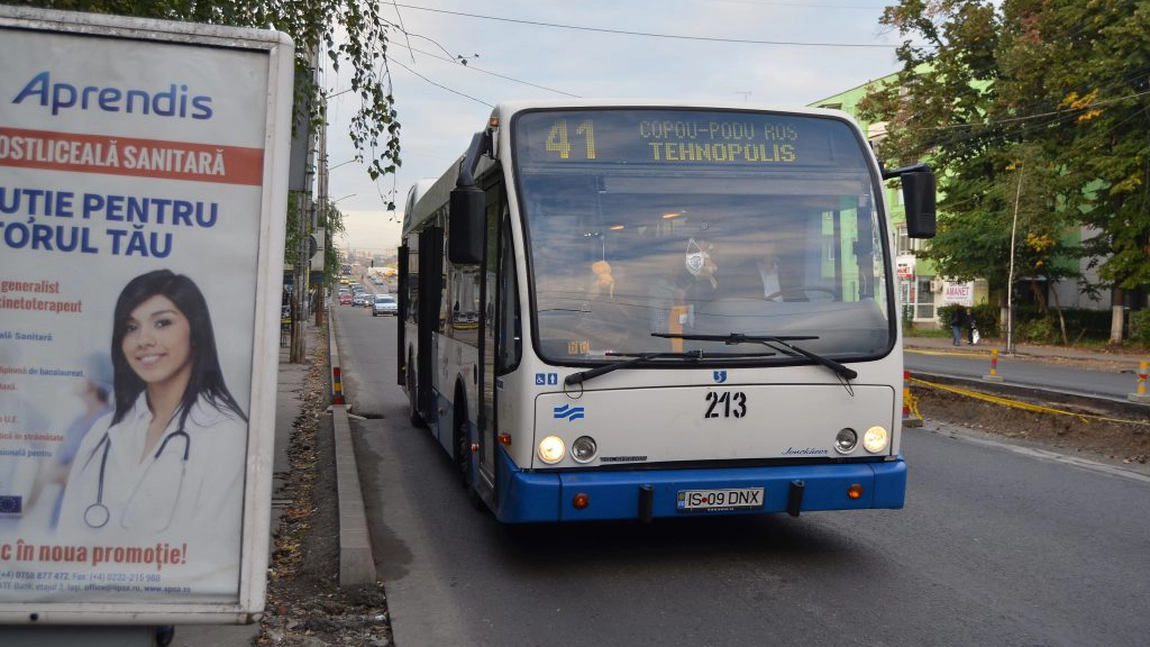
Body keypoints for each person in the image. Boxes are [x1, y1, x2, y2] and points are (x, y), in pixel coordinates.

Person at [58, 270, 249, 592]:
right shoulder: (103, 433)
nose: (144, 339)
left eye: (162, 322)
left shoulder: (226, 433)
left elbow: (211, 553)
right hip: (83, 602)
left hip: (169, 598)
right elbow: (67, 538)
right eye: (131, 327)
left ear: (196, 331)